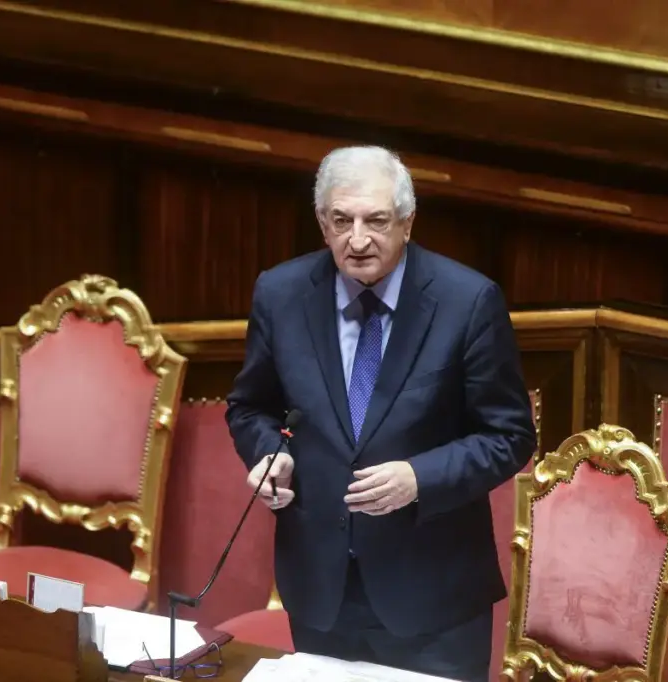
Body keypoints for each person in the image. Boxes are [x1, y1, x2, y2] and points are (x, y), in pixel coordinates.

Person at [226, 145, 536, 682]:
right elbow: (250, 406)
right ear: (322, 223)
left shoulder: (468, 302)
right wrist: (270, 454)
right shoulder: (280, 293)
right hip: (322, 590)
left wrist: (420, 478)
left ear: (407, 223)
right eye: (341, 221)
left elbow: (509, 435)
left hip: (433, 597)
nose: (358, 240)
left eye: (376, 221)